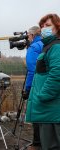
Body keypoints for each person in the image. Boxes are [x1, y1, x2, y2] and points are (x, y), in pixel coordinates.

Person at [26, 14, 60, 150]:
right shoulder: (48, 46)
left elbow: (57, 74)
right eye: (42, 26)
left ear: (57, 28)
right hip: (48, 109)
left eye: (48, 25)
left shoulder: (56, 47)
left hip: (51, 108)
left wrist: (42, 96)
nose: (44, 28)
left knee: (51, 146)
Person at [23, 26, 43, 150]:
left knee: (36, 113)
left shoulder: (34, 47)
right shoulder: (44, 44)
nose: (28, 38)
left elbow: (31, 70)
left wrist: (27, 88)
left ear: (32, 35)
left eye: (29, 36)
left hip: (36, 84)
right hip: (45, 82)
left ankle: (36, 143)